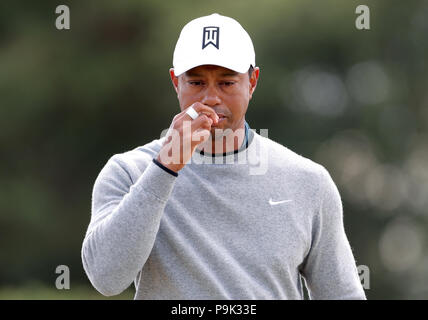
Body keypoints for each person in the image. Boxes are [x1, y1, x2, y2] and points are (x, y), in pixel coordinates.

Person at [81, 13, 366, 300]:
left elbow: (342, 295)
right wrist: (164, 167)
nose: (211, 98)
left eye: (227, 83)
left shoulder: (308, 182)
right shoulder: (128, 172)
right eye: (196, 83)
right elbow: (107, 278)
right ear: (175, 82)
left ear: (252, 82)